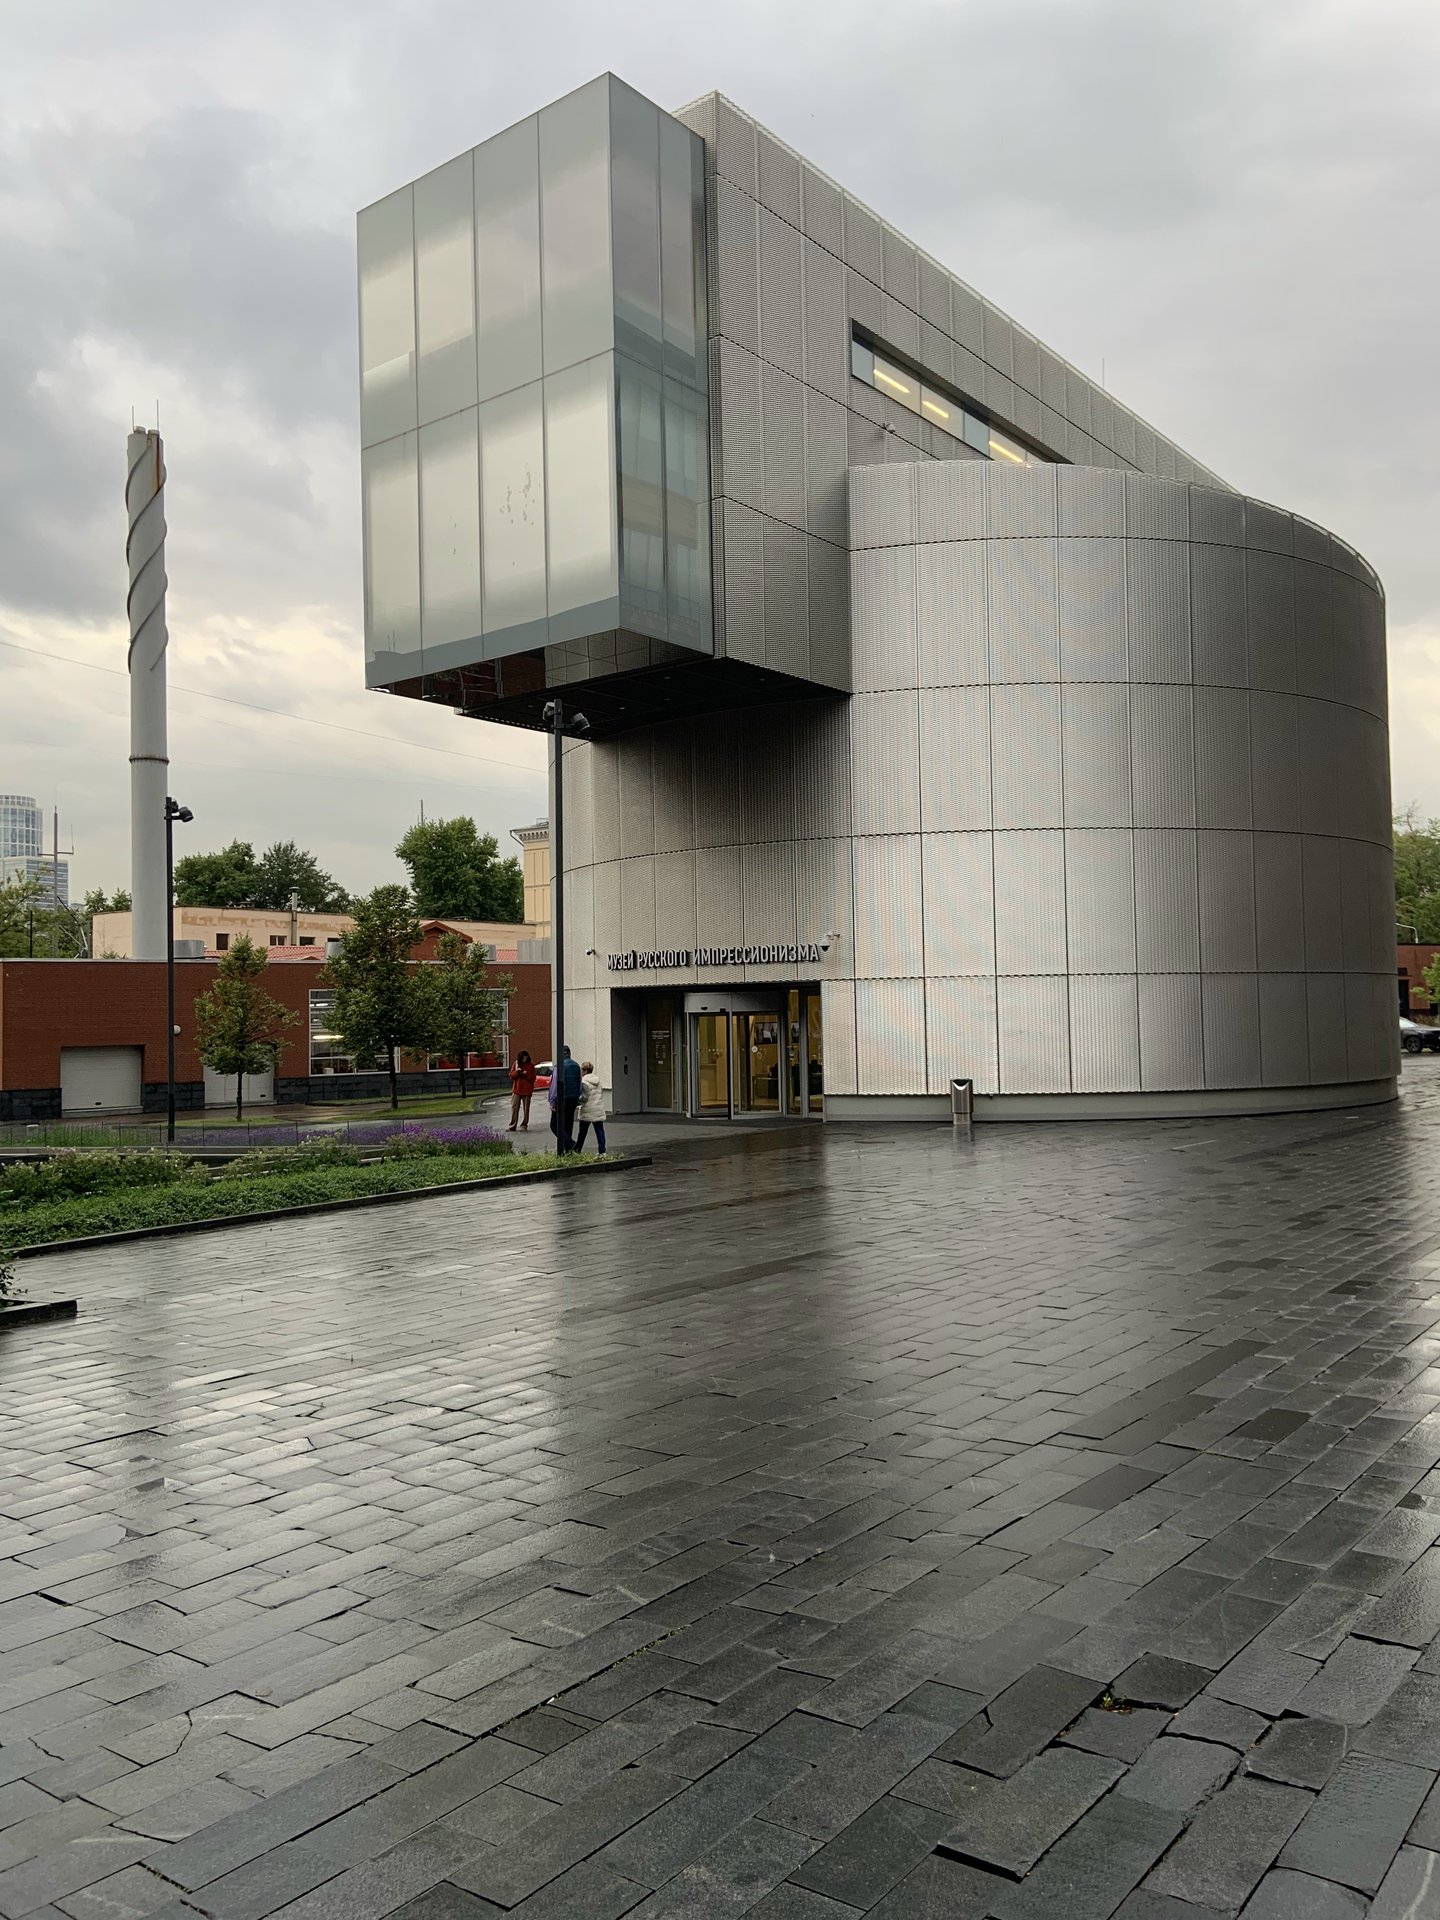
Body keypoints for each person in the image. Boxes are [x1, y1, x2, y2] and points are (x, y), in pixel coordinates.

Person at [549, 1046, 583, 1151]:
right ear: (569, 1053)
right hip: (573, 1098)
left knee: (555, 1125)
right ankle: (568, 1150)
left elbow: (554, 1085)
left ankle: (571, 1144)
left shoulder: (559, 1067)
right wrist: (577, 1096)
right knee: (568, 1124)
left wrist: (552, 1101)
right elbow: (580, 1083)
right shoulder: (576, 1066)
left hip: (561, 1098)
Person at [576, 1061, 607, 1155]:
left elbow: (584, 1098)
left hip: (587, 1110)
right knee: (599, 1131)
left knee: (582, 1132)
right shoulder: (598, 1081)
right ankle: (602, 1151)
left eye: (582, 1070)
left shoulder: (584, 1082)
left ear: (585, 1071)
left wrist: (576, 1103)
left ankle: (577, 1150)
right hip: (598, 1109)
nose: (581, 1072)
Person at [506, 1050, 537, 1131]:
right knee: (514, 1107)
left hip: (527, 1090)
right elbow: (511, 1075)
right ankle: (513, 1125)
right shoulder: (516, 1064)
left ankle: (524, 1124)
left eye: (526, 1057)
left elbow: (533, 1078)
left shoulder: (531, 1065)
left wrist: (526, 1074)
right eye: (523, 1057)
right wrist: (517, 1072)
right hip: (517, 1089)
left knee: (526, 1109)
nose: (524, 1059)